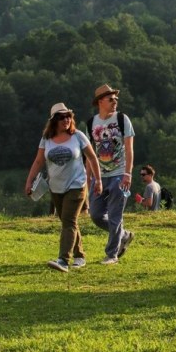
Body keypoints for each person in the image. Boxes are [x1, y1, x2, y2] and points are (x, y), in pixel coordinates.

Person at [25, 102, 102, 273]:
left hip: (77, 185)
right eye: (61, 117)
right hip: (56, 187)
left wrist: (98, 180)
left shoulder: (78, 136)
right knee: (68, 221)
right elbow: (38, 161)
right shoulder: (46, 139)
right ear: (54, 121)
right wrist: (29, 181)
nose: (66, 120)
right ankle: (80, 256)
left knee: (68, 221)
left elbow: (92, 158)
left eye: (68, 116)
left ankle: (63, 260)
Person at [84, 83, 136, 265]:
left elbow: (129, 149)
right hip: (99, 177)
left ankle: (111, 254)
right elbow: (90, 155)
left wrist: (128, 174)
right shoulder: (91, 123)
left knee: (115, 216)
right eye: (111, 99)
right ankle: (124, 235)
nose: (115, 102)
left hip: (119, 175)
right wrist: (88, 177)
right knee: (96, 215)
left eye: (116, 99)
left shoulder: (122, 119)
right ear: (100, 102)